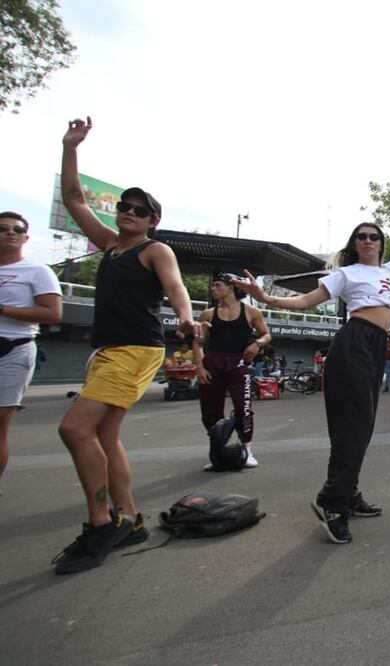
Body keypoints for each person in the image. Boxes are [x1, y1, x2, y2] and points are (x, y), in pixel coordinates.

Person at [233, 179, 390, 543]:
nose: (368, 240)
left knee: (361, 427)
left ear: (381, 244)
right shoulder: (345, 275)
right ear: (354, 245)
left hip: (376, 347)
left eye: (374, 236)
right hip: (353, 344)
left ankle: (347, 492)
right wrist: (264, 299)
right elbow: (305, 302)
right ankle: (331, 501)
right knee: (353, 425)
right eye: (361, 237)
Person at [54, 117, 201, 574]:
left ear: (152, 221)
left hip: (136, 349)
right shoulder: (109, 244)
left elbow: (175, 287)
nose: (128, 212)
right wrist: (70, 147)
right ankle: (131, 520)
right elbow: (75, 199)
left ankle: (101, 523)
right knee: (103, 435)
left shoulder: (153, 250)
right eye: (124, 206)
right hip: (108, 350)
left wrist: (186, 316)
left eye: (138, 210)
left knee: (74, 430)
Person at [0, 212, 62, 488]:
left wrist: (4, 309)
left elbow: (52, 313)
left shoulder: (37, 272)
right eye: (3, 229)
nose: (10, 232)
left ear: (26, 236)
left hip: (13, 350)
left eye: (17, 229)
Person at [194, 273, 271, 468]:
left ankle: (247, 450)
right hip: (213, 362)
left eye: (217, 285)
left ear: (230, 288)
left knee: (243, 408)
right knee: (210, 411)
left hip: (238, 362)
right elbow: (198, 343)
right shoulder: (208, 314)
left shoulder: (251, 312)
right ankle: (218, 452)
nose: (213, 288)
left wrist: (257, 345)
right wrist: (200, 367)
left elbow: (266, 334)